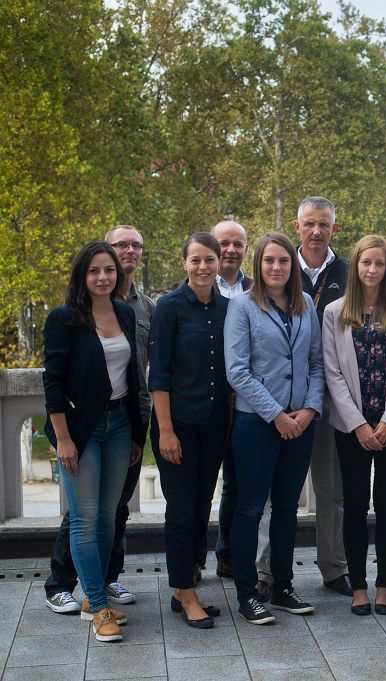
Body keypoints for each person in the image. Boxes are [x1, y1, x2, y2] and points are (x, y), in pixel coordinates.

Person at [44, 226, 153, 616]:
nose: (103, 277)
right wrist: (64, 440)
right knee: (84, 518)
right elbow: (53, 383)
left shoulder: (125, 312)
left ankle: (95, 592)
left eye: (108, 270)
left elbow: (133, 378)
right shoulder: (63, 319)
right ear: (82, 275)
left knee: (109, 516)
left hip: (120, 425)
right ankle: (98, 608)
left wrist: (137, 433)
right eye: (94, 271)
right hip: (81, 430)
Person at [224, 232, 323, 625]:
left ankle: (282, 586)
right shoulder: (242, 306)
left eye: (283, 260)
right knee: (250, 509)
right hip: (257, 424)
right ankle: (248, 594)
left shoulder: (306, 305)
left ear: (292, 265)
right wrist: (276, 414)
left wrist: (310, 409)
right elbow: (238, 372)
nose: (277, 267)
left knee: (286, 508)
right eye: (269, 261)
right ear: (258, 265)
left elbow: (316, 363)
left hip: (300, 424)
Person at [322, 235, 386, 616]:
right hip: (352, 427)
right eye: (366, 263)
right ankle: (359, 586)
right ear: (356, 267)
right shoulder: (335, 312)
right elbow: (332, 373)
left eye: (379, 263)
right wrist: (359, 424)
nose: (372, 270)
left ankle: (384, 587)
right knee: (356, 504)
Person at [149, 233, 231, 629]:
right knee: (181, 510)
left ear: (219, 263)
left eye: (209, 260)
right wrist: (165, 431)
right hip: (177, 426)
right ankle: (185, 591)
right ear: (185, 263)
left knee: (200, 507)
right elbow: (159, 375)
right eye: (195, 260)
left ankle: (183, 584)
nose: (203, 267)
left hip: (213, 426)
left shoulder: (228, 308)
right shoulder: (168, 308)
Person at [295, 196, 352, 598]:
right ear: (298, 227)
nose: (317, 231)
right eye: (310, 224)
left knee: (332, 490)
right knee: (278, 493)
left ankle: (334, 568)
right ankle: (269, 572)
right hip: (288, 399)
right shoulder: (279, 267)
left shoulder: (348, 273)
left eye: (324, 224)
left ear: (334, 228)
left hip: (334, 396)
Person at [209, 220, 257, 583]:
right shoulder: (190, 287)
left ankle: (228, 555)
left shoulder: (259, 289)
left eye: (237, 244)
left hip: (247, 404)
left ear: (246, 249)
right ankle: (191, 562)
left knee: (238, 485)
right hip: (207, 404)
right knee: (198, 488)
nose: (230, 249)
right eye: (223, 243)